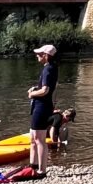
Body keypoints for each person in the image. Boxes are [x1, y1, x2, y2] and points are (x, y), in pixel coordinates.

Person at [27, 45, 58, 175]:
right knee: (33, 138)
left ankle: (42, 170)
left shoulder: (48, 69)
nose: (37, 55)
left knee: (39, 139)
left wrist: (32, 94)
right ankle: (32, 166)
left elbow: (45, 90)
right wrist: (35, 88)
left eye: (39, 54)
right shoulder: (51, 68)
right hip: (42, 106)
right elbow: (49, 87)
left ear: (46, 55)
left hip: (42, 107)